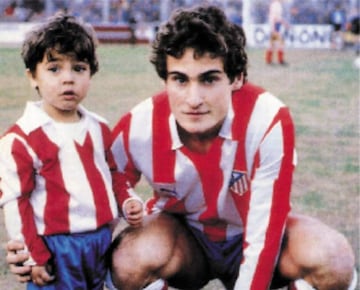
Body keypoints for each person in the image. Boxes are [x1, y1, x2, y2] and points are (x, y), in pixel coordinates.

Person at [6, 5, 357, 290]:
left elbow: (265, 231)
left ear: (235, 79)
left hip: (255, 237)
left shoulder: (268, 120)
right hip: (187, 247)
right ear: (165, 79)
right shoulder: (139, 125)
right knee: (130, 257)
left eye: (209, 79)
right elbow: (97, 197)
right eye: (179, 79)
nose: (193, 99)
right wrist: (35, 248)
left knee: (334, 256)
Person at [0, 13, 143, 289]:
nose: (68, 79)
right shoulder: (22, 138)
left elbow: (113, 174)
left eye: (78, 68)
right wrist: (33, 257)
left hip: (101, 239)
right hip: (56, 246)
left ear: (91, 73)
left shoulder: (99, 127)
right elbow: (17, 203)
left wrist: (128, 201)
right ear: (33, 76)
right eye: (54, 69)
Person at [265, 0, 288, 65]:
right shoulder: (276, 5)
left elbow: (277, 17)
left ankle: (268, 60)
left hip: (274, 25)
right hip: (275, 26)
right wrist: (274, 28)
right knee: (280, 43)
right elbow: (275, 18)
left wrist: (284, 23)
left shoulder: (275, 4)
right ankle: (280, 60)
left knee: (272, 44)